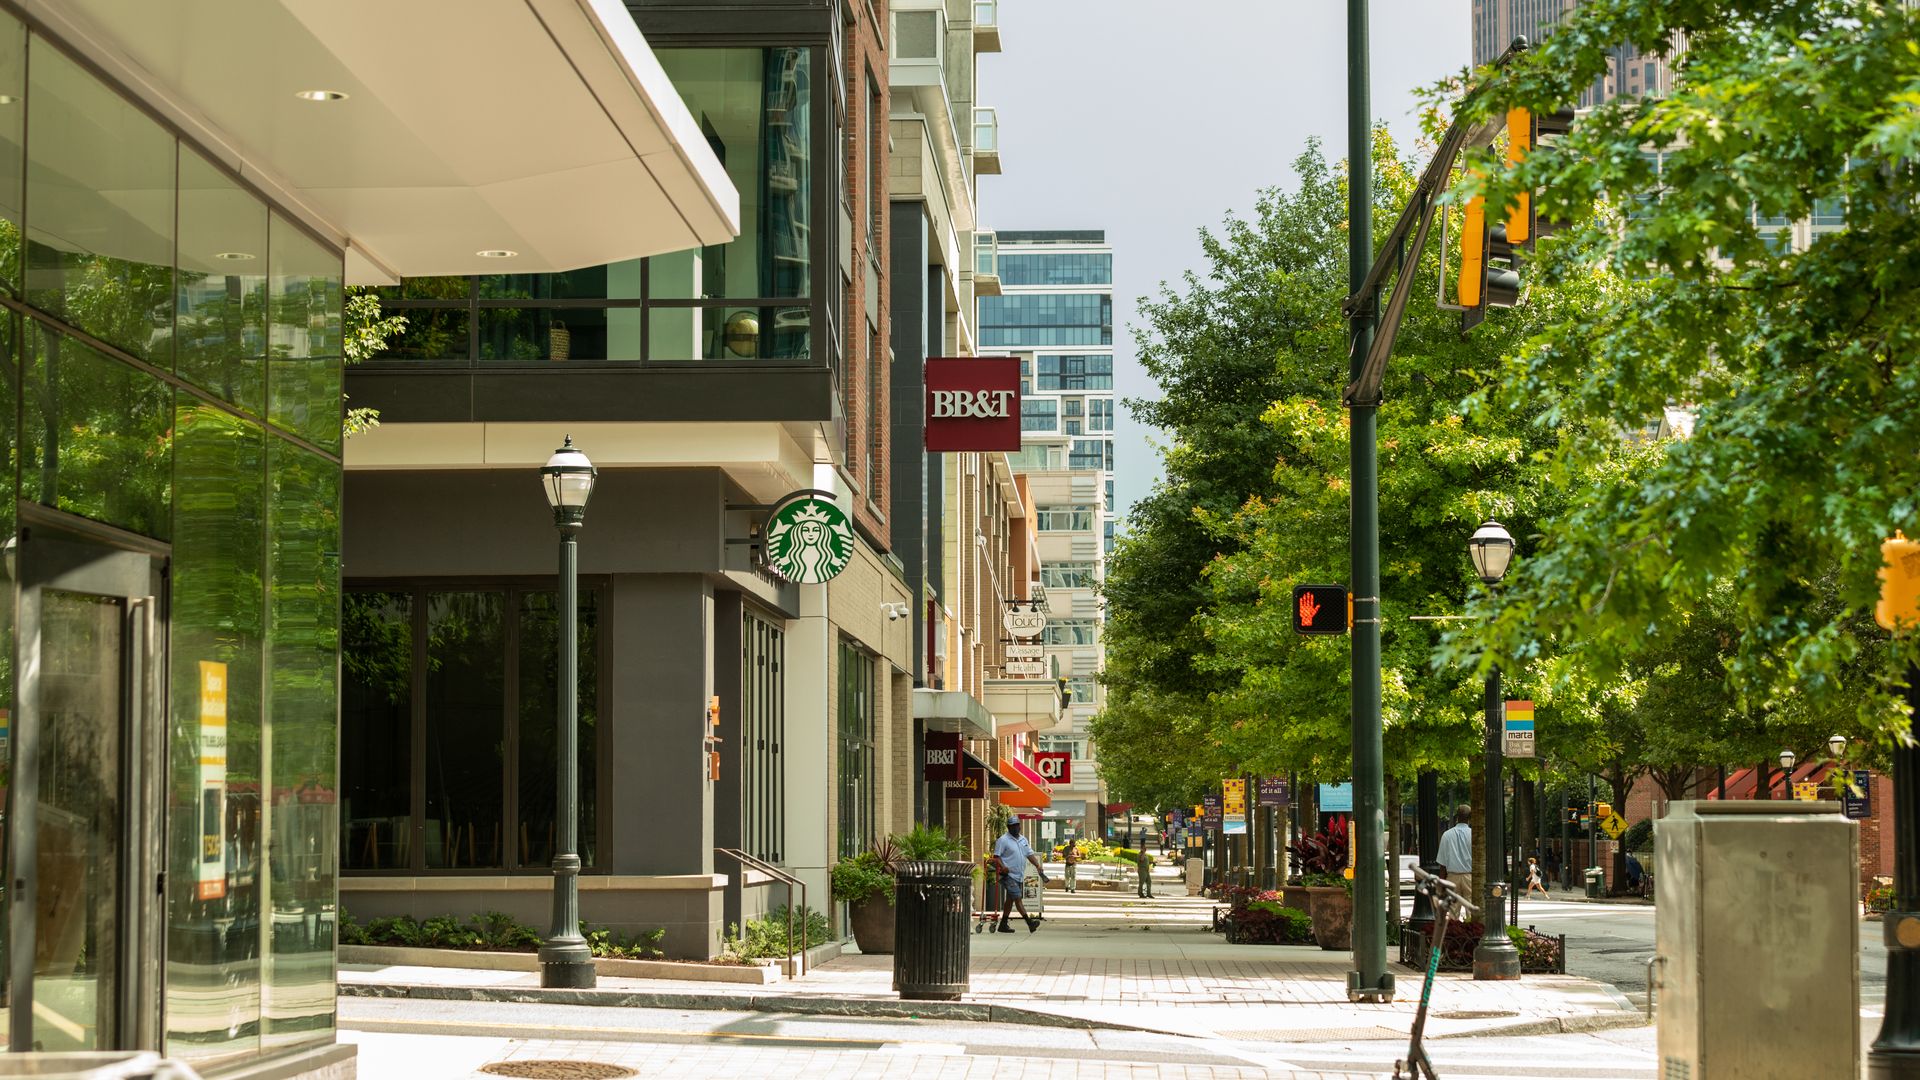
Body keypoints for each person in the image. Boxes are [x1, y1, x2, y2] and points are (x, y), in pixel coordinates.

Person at [993, 819, 1048, 932]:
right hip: (1007, 875)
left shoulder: (1023, 839)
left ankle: (1003, 924)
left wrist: (1037, 865)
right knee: (1017, 898)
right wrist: (1003, 866)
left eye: (1017, 825)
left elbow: (1029, 854)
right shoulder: (1003, 840)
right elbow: (996, 857)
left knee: (1010, 899)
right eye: (1013, 826)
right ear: (1008, 827)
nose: (1016, 827)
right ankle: (1030, 923)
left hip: (1019, 875)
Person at [1436, 804, 1474, 905]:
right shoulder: (1474, 835)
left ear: (1457, 817)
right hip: (1470, 877)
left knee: (1453, 912)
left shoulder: (1447, 835)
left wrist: (1441, 883)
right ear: (1470, 817)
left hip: (1452, 877)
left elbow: (1442, 864)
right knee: (1471, 910)